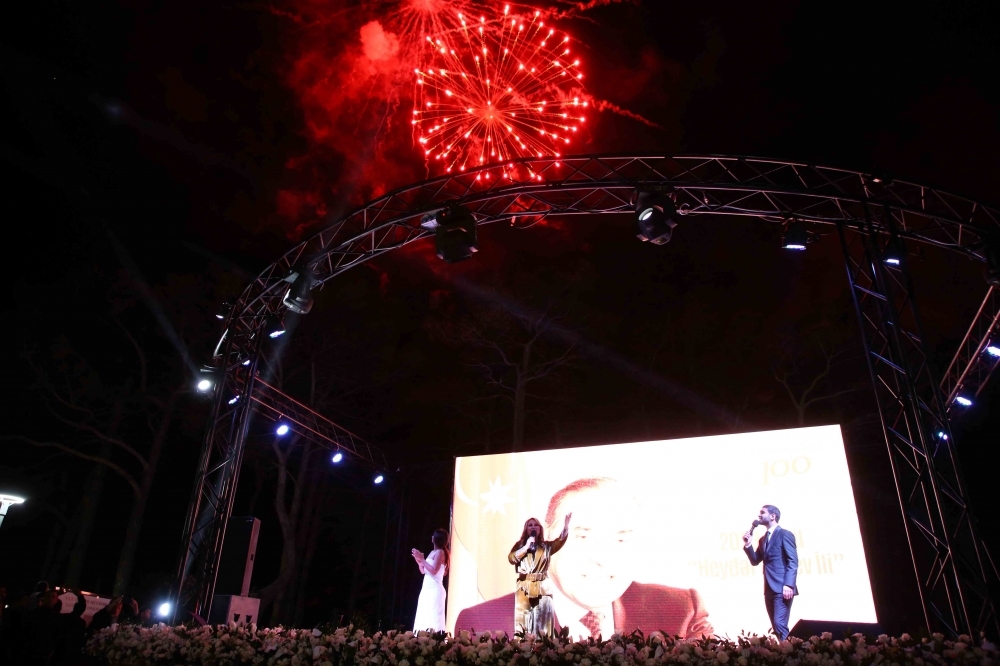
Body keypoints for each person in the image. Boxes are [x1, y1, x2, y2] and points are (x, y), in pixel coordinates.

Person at [456, 478, 713, 639]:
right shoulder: (486, 625)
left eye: (620, 540)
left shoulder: (679, 610)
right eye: (582, 537)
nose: (602, 558)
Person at [508, 513, 572, 637]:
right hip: (524, 585)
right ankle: (523, 645)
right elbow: (511, 558)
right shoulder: (520, 545)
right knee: (523, 620)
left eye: (536, 525)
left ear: (540, 529)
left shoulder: (546, 546)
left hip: (542, 585)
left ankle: (543, 644)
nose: (533, 527)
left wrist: (566, 527)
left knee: (543, 620)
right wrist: (526, 547)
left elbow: (559, 542)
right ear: (526, 529)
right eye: (530, 525)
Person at [742, 504, 799, 641]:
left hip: (783, 588)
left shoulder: (785, 534)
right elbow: (755, 561)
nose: (759, 515)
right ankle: (786, 649)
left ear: (773, 516)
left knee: (780, 624)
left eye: (763, 512)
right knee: (776, 626)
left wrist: (789, 585)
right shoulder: (762, 539)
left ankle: (791, 651)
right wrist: (748, 544)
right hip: (768, 589)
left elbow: (793, 561)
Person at [411, 528, 450, 632]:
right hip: (426, 590)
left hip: (434, 590)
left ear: (436, 539)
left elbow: (434, 570)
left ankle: (433, 640)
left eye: (434, 535)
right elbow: (423, 571)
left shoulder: (440, 552)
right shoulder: (433, 552)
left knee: (433, 618)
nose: (432, 537)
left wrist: (422, 559)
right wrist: (419, 561)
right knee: (424, 616)